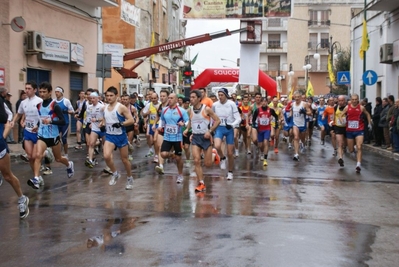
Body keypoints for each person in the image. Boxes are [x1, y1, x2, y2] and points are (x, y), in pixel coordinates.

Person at [27, 82, 74, 189]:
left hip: (53, 136)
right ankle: (36, 179)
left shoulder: (54, 105)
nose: (42, 94)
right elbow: (41, 119)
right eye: (40, 92)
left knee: (58, 159)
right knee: (38, 155)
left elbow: (62, 121)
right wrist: (37, 126)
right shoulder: (38, 105)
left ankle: (69, 164)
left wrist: (51, 121)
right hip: (42, 135)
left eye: (44, 92)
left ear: (50, 93)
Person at [0, 91, 29, 219]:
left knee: (7, 176)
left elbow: (8, 122)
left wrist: (2, 138)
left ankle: (22, 198)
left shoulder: (1, 104)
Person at [101, 86, 135, 188]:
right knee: (106, 156)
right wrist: (102, 124)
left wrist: (121, 124)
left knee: (124, 160)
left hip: (121, 136)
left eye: (111, 96)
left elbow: (131, 120)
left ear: (116, 96)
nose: (109, 98)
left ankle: (129, 178)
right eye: (107, 96)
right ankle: (115, 173)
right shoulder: (105, 107)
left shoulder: (121, 107)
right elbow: (105, 119)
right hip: (110, 136)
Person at [11, 81, 43, 173]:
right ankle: (36, 176)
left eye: (29, 89)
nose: (27, 91)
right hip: (28, 131)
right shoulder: (23, 102)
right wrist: (14, 121)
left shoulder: (39, 101)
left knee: (35, 156)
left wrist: (38, 125)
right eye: (26, 88)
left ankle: (45, 153)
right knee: (30, 157)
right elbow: (19, 113)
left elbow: (44, 115)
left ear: (35, 90)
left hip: (38, 132)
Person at [158, 93, 189, 183]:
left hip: (177, 138)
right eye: (169, 98)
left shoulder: (181, 111)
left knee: (179, 159)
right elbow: (162, 120)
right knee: (163, 154)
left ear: (176, 100)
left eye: (172, 98)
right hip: (167, 136)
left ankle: (180, 175)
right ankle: (173, 155)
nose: (169, 99)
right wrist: (160, 126)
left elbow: (188, 121)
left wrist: (184, 124)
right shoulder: (164, 110)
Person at [212, 88, 241, 180]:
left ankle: (230, 172)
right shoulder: (215, 105)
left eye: (222, 95)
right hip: (219, 127)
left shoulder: (231, 104)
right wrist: (211, 127)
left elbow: (238, 118)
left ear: (226, 95)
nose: (220, 97)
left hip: (229, 128)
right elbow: (211, 117)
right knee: (217, 146)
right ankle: (222, 158)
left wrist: (232, 125)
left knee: (230, 153)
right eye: (219, 95)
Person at [341, 94, 372, 172]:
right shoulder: (347, 107)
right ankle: (353, 151)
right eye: (353, 99)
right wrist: (343, 121)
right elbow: (341, 115)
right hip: (349, 130)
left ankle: (358, 164)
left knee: (359, 146)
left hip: (359, 130)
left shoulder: (361, 107)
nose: (354, 101)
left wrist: (369, 123)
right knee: (350, 149)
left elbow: (368, 114)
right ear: (351, 100)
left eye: (356, 99)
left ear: (358, 100)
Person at [252, 97, 279, 166]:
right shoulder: (258, 110)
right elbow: (253, 119)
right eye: (262, 101)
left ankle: (265, 159)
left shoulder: (270, 110)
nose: (264, 103)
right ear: (261, 103)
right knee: (261, 145)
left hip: (267, 129)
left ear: (267, 102)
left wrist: (275, 122)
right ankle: (261, 152)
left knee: (266, 142)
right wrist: (255, 125)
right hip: (260, 129)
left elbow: (276, 116)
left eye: (265, 101)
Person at [85, 92, 105, 168]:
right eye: (91, 98)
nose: (92, 100)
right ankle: (90, 160)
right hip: (94, 128)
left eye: (93, 98)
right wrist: (90, 123)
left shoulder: (102, 107)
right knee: (91, 144)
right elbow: (89, 117)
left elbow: (106, 117)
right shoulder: (89, 107)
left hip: (103, 128)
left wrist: (97, 119)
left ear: (98, 98)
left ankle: (108, 164)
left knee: (105, 146)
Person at [290, 91, 312, 161]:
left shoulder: (304, 104)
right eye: (295, 97)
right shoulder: (292, 104)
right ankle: (296, 154)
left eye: (298, 97)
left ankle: (303, 143)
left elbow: (310, 113)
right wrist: (289, 116)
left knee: (302, 138)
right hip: (295, 123)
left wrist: (304, 112)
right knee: (296, 137)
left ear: (300, 97)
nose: (297, 98)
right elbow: (291, 111)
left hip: (302, 124)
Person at [54, 86, 75, 158]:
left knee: (64, 138)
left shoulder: (66, 101)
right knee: (55, 138)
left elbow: (72, 111)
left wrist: (66, 111)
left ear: (61, 93)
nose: (56, 93)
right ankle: (57, 153)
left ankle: (66, 154)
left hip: (64, 123)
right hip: (56, 123)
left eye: (58, 92)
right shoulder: (54, 101)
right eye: (55, 92)